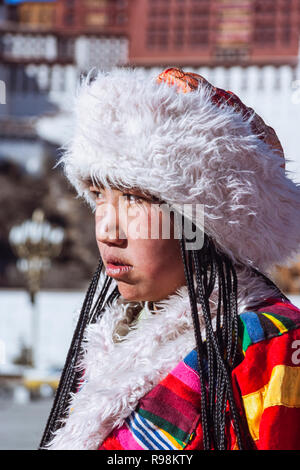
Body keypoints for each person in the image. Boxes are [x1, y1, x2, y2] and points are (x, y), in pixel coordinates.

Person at [39, 67, 300, 450]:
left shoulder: (271, 349)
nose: (107, 230)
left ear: (204, 220)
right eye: (98, 195)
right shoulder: (111, 344)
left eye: (134, 198)